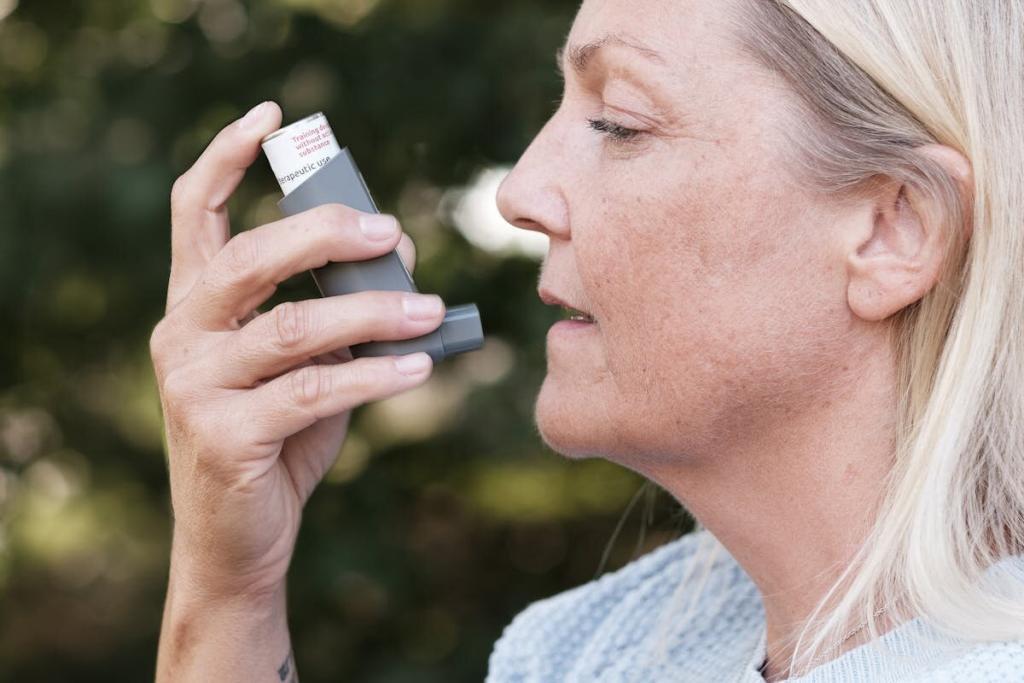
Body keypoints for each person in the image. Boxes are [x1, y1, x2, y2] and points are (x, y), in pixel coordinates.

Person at [150, 0, 1024, 681]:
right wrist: (229, 590)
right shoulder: (578, 654)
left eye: (619, 122)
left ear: (893, 229)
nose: (521, 191)